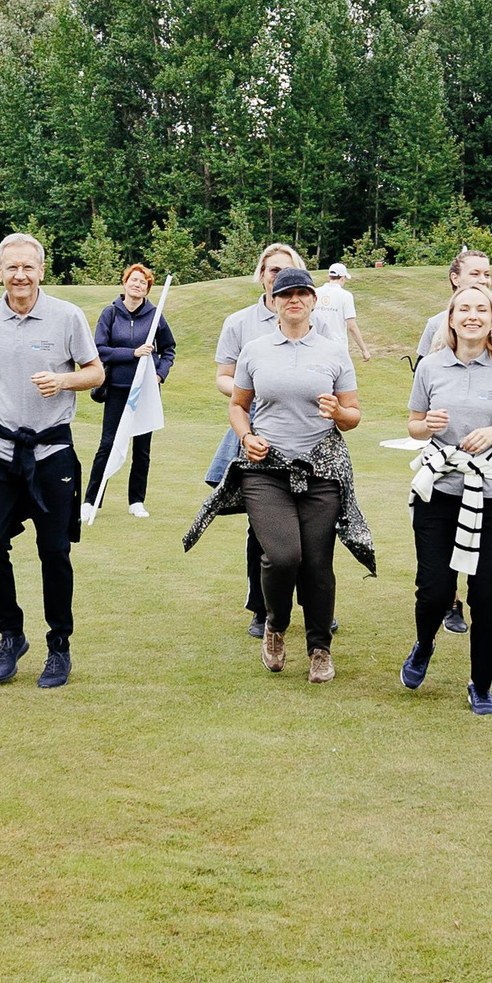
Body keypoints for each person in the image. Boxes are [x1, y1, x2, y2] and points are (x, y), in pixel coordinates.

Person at [0, 233, 103, 688]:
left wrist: (62, 380)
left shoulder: (67, 316)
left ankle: (58, 646)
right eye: (10, 267)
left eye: (28, 267)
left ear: (42, 270)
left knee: (54, 551)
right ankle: (11, 635)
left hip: (51, 452)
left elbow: (96, 372)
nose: (19, 275)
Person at [404, 285, 492, 713]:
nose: (472, 315)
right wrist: (427, 425)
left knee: (490, 593)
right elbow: (414, 426)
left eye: (482, 309)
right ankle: (424, 645)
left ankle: (480, 684)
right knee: (435, 590)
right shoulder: (431, 366)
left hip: (490, 493)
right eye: (464, 309)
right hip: (438, 493)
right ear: (451, 318)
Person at [233, 267, 362, 681]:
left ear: (313, 300)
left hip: (320, 469)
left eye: (302, 293)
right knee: (284, 555)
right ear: (273, 302)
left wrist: (339, 413)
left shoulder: (332, 351)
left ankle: (320, 648)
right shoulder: (254, 350)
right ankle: (275, 625)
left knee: (318, 563)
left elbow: (353, 414)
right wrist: (246, 434)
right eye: (286, 294)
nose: (294, 300)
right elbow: (238, 405)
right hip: (266, 469)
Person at [209, 243, 305, 642]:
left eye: (287, 270)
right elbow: (223, 377)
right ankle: (261, 607)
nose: (278, 276)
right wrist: (253, 393)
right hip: (254, 431)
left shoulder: (315, 318)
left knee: (311, 524)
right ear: (261, 275)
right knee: (262, 526)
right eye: (272, 270)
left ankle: (312, 603)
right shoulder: (241, 322)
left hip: (304, 435)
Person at [89, 263, 176, 516]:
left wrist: (160, 374)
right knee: (108, 444)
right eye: (133, 280)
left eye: (143, 282)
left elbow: (168, 349)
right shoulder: (110, 313)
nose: (137, 285)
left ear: (147, 289)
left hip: (146, 392)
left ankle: (136, 501)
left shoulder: (155, 315)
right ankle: (91, 500)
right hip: (116, 389)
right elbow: (100, 349)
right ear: (125, 283)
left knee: (142, 448)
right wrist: (133, 353)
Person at [415, 249, 492, 361]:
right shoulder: (436, 323)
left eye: (487, 275)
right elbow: (422, 370)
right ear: (455, 279)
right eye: (475, 274)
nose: (483, 280)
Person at [317, 261, 370, 363]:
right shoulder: (345, 296)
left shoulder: (316, 292)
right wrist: (364, 350)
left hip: (317, 345)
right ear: (342, 278)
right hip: (337, 347)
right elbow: (352, 327)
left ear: (329, 277)